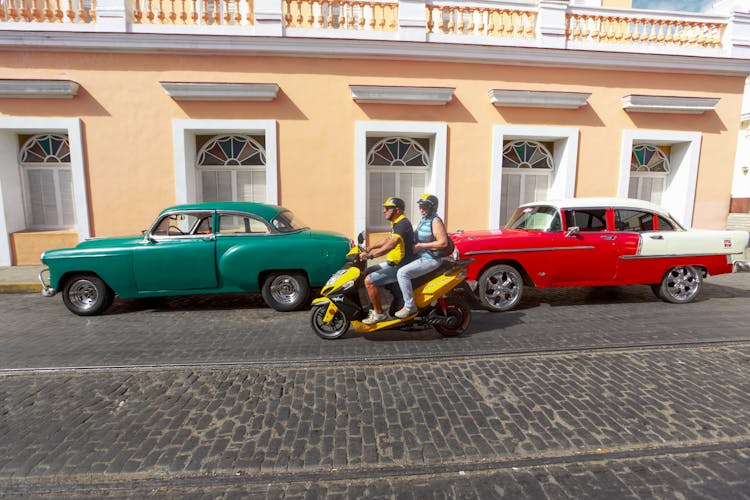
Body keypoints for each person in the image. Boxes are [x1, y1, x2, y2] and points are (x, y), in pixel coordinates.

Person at [360, 197, 415, 324]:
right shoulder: (396, 223)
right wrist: (370, 247)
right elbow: (387, 240)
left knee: (369, 281)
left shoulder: (403, 224)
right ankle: (378, 303)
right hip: (393, 263)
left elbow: (391, 244)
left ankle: (379, 314)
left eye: (387, 208)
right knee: (367, 272)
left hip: (400, 265)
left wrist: (371, 256)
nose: (384, 211)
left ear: (398, 210)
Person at [394, 194, 449, 319]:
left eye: (424, 207)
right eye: (420, 207)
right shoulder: (424, 219)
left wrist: (421, 246)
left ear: (433, 207)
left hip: (430, 259)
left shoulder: (435, 221)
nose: (422, 209)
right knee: (396, 266)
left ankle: (409, 306)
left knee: (402, 273)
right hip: (419, 256)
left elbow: (443, 242)